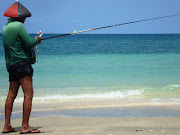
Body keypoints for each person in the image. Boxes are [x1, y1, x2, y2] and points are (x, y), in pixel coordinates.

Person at [2, 1, 41, 134]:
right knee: (29, 93)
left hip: (11, 65)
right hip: (22, 64)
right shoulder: (19, 26)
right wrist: (37, 40)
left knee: (11, 95)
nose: (24, 19)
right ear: (19, 16)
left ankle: (6, 125)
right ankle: (25, 126)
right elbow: (28, 43)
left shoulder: (5, 28)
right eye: (24, 17)